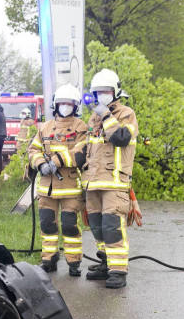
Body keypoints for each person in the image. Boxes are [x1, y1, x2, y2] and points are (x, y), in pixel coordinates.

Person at [80, 69, 138, 289]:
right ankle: (106, 264)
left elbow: (121, 138)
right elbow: (88, 149)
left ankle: (118, 271)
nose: (101, 95)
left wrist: (106, 115)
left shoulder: (126, 114)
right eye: (98, 92)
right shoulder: (93, 117)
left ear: (115, 91)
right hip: (93, 183)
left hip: (114, 182)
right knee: (97, 227)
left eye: (106, 91)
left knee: (113, 227)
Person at [27, 84, 88, 276]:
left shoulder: (81, 127)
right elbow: (33, 149)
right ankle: (49, 259)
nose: (65, 106)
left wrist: (57, 160)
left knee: (70, 225)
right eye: (62, 103)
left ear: (75, 105)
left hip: (69, 186)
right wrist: (40, 164)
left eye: (69, 103)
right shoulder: (45, 127)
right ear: (55, 104)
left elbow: (81, 152)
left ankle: (73, 262)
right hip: (47, 188)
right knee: (47, 224)